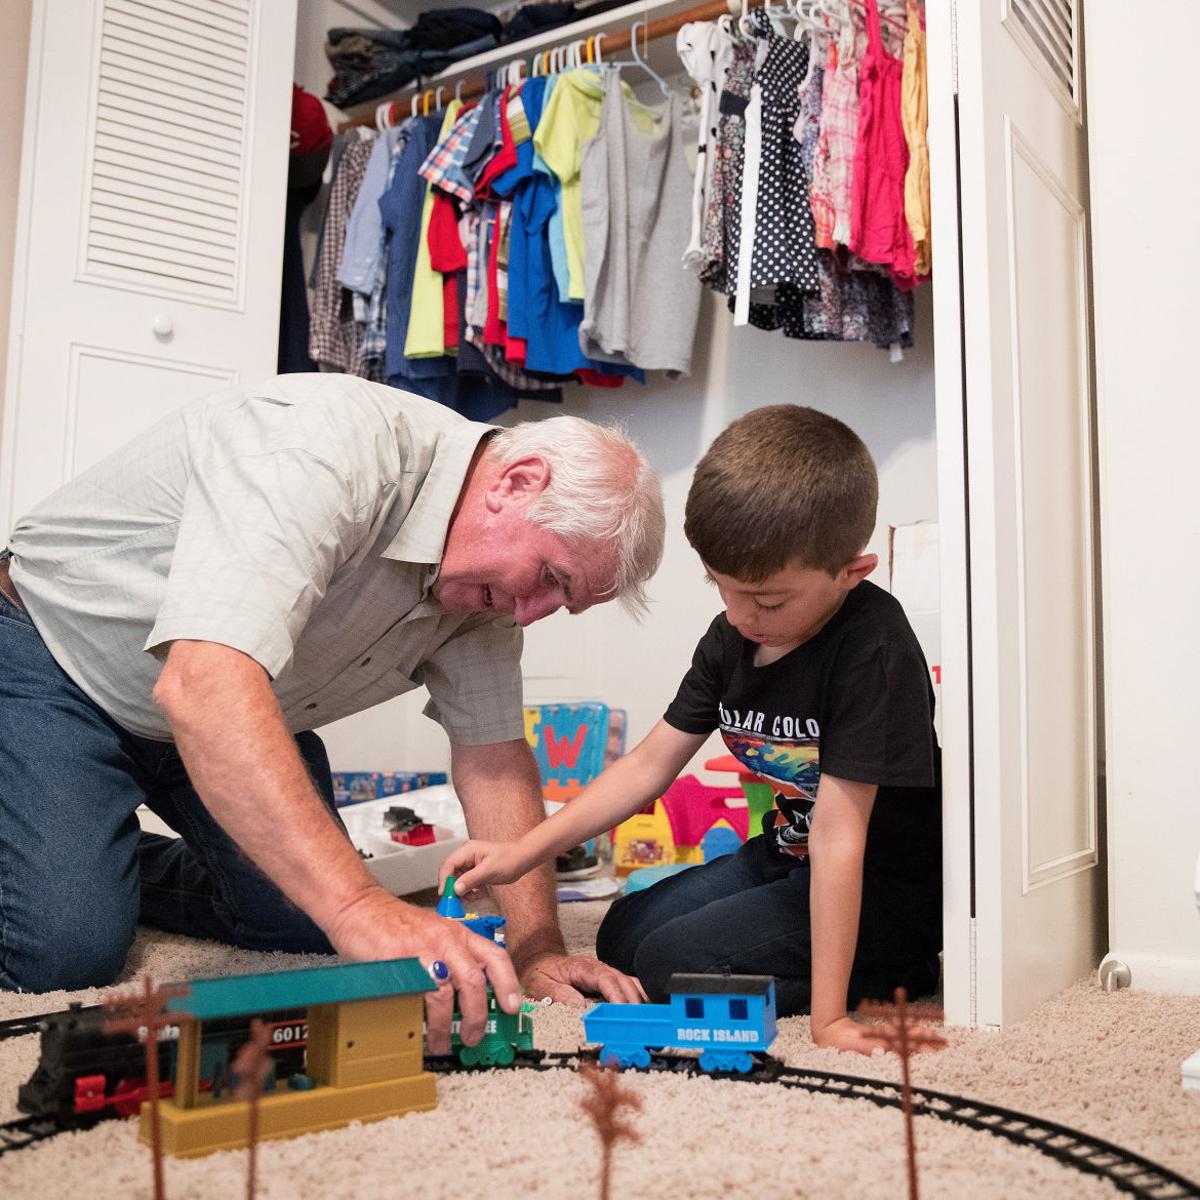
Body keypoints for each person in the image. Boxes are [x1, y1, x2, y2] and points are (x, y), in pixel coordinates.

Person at [0, 374, 662, 1051]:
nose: (531, 613)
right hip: (52, 658)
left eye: (562, 603)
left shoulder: (483, 598)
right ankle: (53, 855)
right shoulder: (325, 448)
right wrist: (359, 906)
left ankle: (79, 851)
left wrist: (538, 949)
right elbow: (204, 683)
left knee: (302, 920)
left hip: (214, 715)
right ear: (516, 482)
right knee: (64, 950)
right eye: (552, 578)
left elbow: (493, 757)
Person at [441, 405, 943, 1054]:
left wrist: (829, 1021)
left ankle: (892, 972)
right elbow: (648, 766)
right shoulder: (733, 637)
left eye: (767, 601)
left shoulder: (871, 651)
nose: (739, 616)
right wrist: (522, 851)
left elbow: (842, 838)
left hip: (881, 887)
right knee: (623, 935)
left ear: (852, 573)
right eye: (721, 588)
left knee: (670, 965)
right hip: (784, 857)